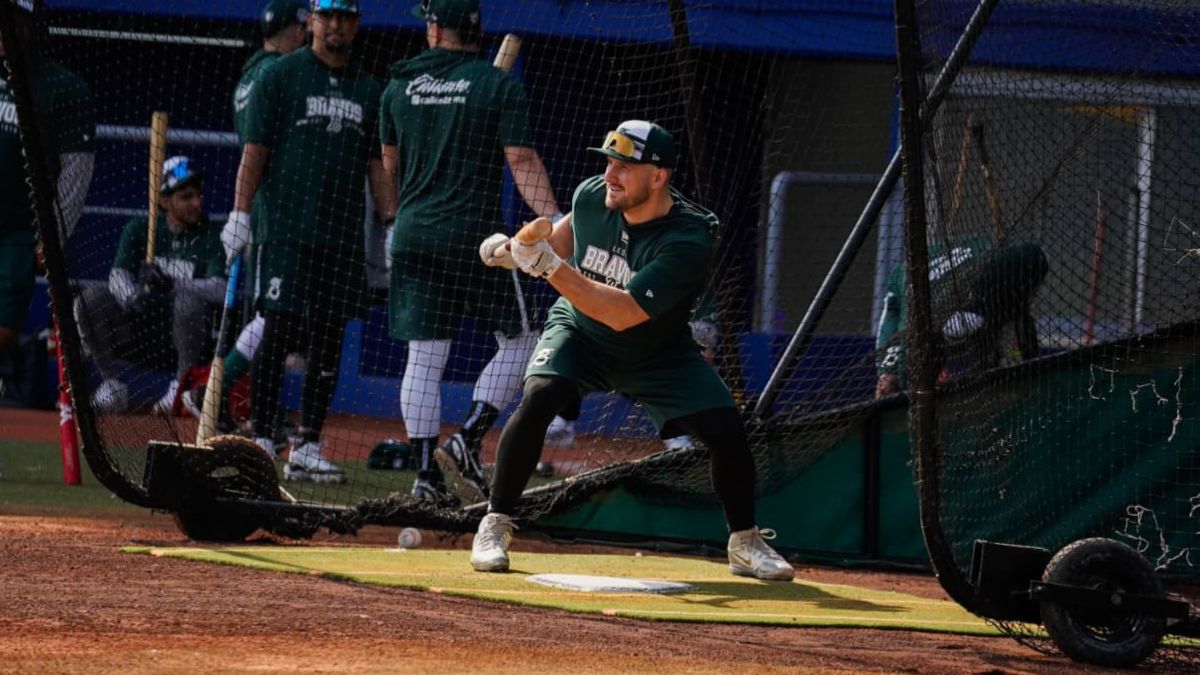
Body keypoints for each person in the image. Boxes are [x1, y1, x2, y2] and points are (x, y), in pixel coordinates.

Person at [445, 120, 795, 581]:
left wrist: (547, 266)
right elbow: (558, 243)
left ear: (658, 176)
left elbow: (623, 313)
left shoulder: (688, 238)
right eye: (609, 161)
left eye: (625, 166)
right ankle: (495, 523)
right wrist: (512, 252)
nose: (610, 174)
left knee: (727, 432)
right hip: (579, 333)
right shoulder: (592, 195)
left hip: (657, 351)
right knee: (541, 396)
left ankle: (744, 542)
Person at [379, 0, 563, 505]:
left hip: (413, 234)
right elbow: (521, 160)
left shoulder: (398, 86)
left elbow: (389, 166)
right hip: (477, 238)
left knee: (424, 357)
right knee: (524, 340)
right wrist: (555, 221)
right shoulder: (496, 85)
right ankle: (468, 436)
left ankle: (424, 475)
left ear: (437, 29)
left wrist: (394, 223)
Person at [223, 0, 395, 482]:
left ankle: (309, 445)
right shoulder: (279, 75)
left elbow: (377, 165)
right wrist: (239, 212)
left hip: (341, 236)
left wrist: (391, 222)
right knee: (277, 328)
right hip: (286, 229)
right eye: (327, 16)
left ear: (356, 24)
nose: (335, 25)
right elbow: (255, 150)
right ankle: (261, 438)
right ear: (311, 21)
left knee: (329, 336)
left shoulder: (369, 89)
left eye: (345, 17)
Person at [181, 0, 311, 432]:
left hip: (264, 204)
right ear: (295, 31)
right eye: (304, 29)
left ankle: (243, 403)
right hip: (273, 208)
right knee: (272, 315)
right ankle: (215, 394)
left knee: (277, 316)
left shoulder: (250, 74)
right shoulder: (273, 74)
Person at [76, 156, 224, 413]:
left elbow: (221, 289)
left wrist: (174, 283)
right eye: (186, 197)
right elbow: (117, 275)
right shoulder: (141, 228)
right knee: (89, 301)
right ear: (164, 201)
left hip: (185, 337)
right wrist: (132, 296)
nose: (197, 203)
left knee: (188, 302)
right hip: (140, 329)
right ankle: (112, 384)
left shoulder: (211, 233)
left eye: (198, 195)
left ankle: (182, 386)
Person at [0, 0, 94, 368]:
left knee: (6, 323)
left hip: (19, 229)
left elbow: (76, 170)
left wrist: (51, 236)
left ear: (30, 26)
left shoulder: (63, 87)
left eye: (12, 21)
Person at [874, 239, 1049, 397]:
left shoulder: (994, 267)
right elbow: (900, 340)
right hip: (957, 309)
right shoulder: (908, 288)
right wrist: (888, 374)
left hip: (975, 299)